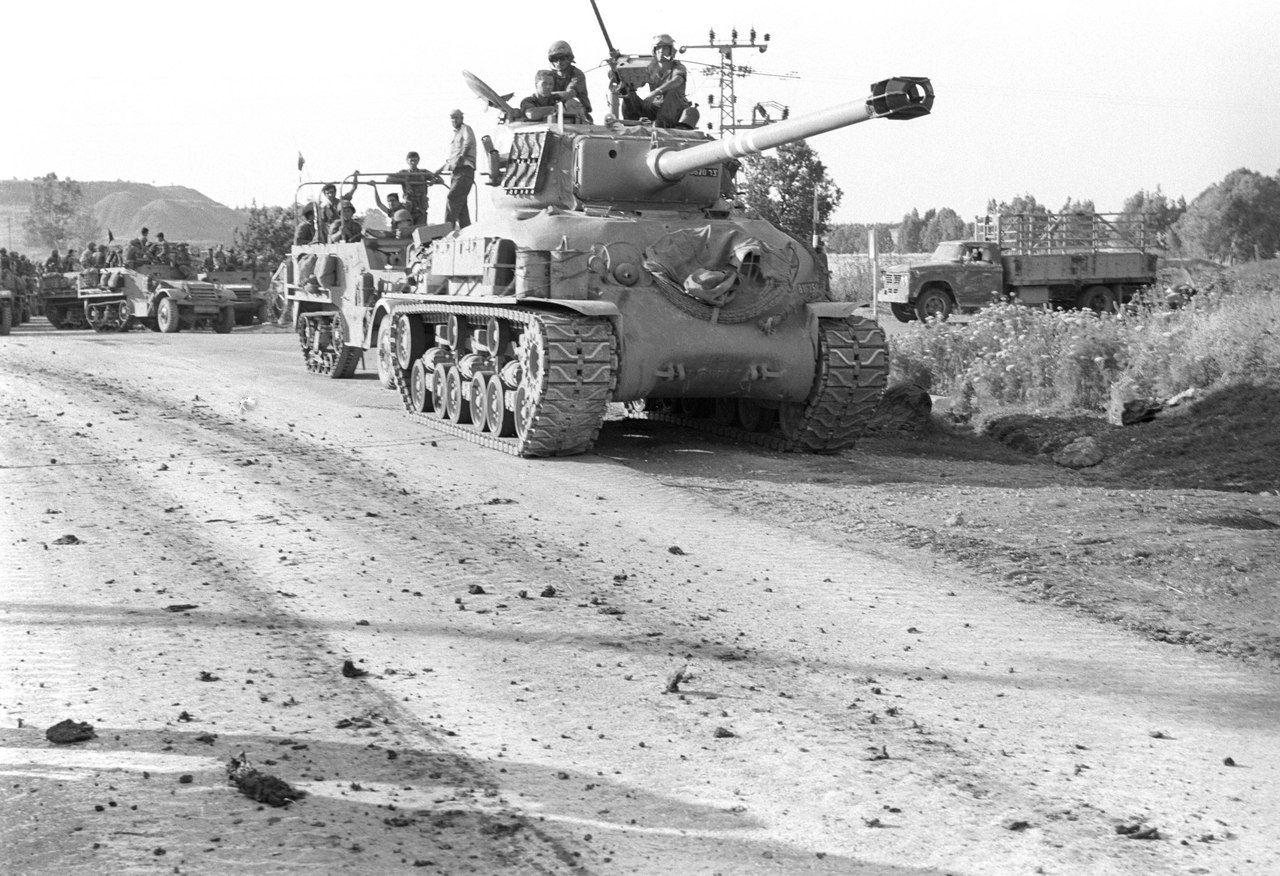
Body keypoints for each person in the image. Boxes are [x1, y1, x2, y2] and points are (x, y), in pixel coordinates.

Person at [615, 34, 689, 128]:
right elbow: (635, 80)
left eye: (665, 48)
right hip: (654, 108)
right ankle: (631, 124)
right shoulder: (652, 67)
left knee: (672, 91)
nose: (661, 51)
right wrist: (618, 66)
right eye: (658, 48)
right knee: (628, 93)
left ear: (671, 50)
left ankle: (662, 123)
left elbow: (677, 80)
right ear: (654, 51)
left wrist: (655, 92)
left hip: (673, 109)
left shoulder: (678, 67)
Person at [438, 110, 475, 229]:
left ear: (461, 118)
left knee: (453, 198)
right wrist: (437, 172)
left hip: (464, 171)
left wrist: (462, 156)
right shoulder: (456, 134)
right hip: (456, 172)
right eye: (452, 118)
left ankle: (447, 230)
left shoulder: (465, 129)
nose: (454, 120)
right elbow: (451, 160)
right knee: (461, 206)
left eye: (456, 118)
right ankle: (467, 231)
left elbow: (468, 142)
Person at [546, 40, 592, 122]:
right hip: (554, 115)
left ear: (569, 59)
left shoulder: (576, 74)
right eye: (555, 59)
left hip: (578, 115)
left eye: (562, 58)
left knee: (569, 103)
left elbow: (569, 94)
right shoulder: (549, 76)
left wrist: (547, 95)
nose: (559, 62)